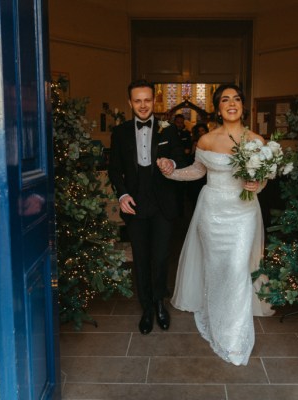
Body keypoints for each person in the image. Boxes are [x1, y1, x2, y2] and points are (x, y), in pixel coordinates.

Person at [157, 84, 275, 366]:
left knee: (236, 268)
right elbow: (197, 171)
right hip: (211, 211)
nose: (231, 103)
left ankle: (233, 335)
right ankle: (216, 313)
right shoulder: (207, 140)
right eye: (225, 99)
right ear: (218, 107)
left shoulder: (257, 141)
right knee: (216, 268)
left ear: (243, 106)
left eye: (236, 98)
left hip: (243, 211)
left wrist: (257, 184)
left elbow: (263, 179)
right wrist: (172, 172)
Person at [109, 79, 185, 335]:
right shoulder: (119, 133)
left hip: (163, 205)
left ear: (155, 101)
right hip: (135, 206)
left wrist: (172, 163)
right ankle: (147, 309)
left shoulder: (169, 130)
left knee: (161, 257)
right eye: (137, 100)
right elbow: (115, 170)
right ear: (130, 103)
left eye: (147, 100)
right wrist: (122, 195)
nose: (143, 105)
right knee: (141, 259)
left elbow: (182, 158)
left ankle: (159, 303)